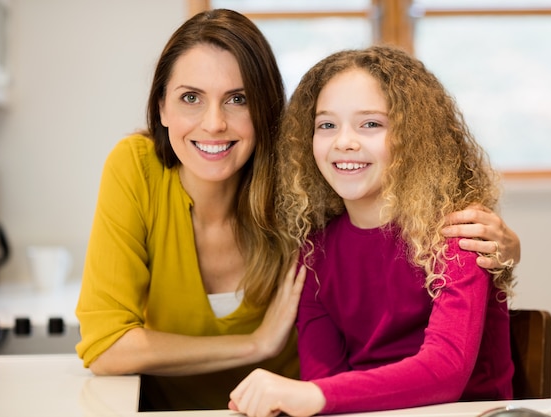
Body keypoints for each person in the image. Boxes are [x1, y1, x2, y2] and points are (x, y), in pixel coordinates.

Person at [75, 9, 520, 411]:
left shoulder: (443, 229)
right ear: (161, 107)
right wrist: (263, 351)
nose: (214, 122)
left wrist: (507, 250)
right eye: (327, 125)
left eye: (238, 98)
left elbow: (443, 366)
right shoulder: (317, 239)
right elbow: (323, 371)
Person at [228, 45, 516, 417]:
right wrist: (314, 394)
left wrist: (310, 395)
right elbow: (325, 375)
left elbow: (446, 373)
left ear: (413, 138)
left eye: (371, 124)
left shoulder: (458, 233)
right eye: (326, 125)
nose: (344, 141)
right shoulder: (315, 252)